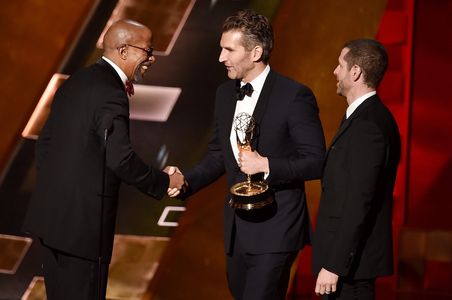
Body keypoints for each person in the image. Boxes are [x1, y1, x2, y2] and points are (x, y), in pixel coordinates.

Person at [22, 20, 184, 300]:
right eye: (147, 50)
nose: (150, 58)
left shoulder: (78, 80)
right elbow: (120, 159)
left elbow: (45, 144)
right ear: (123, 50)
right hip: (83, 232)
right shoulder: (111, 93)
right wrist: (165, 181)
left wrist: (61, 190)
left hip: (51, 224)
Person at [180, 9, 325, 299]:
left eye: (228, 49)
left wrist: (266, 164)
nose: (221, 57)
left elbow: (316, 160)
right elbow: (218, 155)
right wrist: (186, 180)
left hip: (276, 230)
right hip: (237, 229)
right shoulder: (224, 94)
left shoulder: (294, 95)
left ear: (256, 52)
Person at [312, 39, 401, 299]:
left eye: (340, 65)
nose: (334, 71)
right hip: (345, 267)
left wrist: (334, 265)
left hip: (349, 271)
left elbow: (358, 201)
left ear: (355, 72)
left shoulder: (369, 125)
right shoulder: (363, 117)